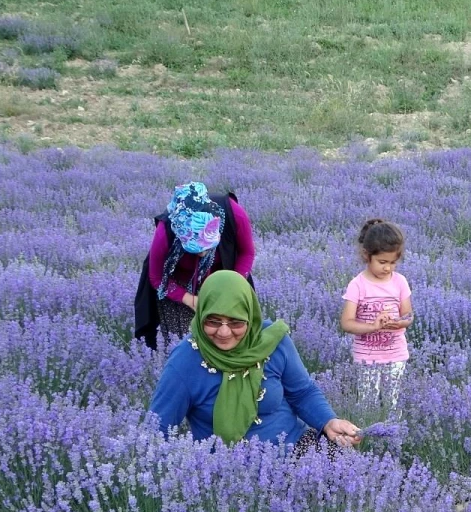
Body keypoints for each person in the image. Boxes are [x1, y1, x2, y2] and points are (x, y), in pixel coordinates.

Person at [148, 270, 361, 450]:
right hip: (228, 472)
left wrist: (328, 421)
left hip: (293, 448)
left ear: (250, 317)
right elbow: (158, 428)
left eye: (236, 322)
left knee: (347, 471)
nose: (224, 332)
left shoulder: (272, 341)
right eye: (213, 321)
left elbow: (302, 392)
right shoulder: (186, 360)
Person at [134, 181, 256, 350]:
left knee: (232, 338)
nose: (202, 254)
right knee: (188, 346)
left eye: (207, 246)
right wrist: (189, 299)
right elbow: (157, 277)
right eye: (194, 248)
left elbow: (247, 253)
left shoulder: (233, 214)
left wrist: (233, 284)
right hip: (179, 287)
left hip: (225, 278)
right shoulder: (166, 230)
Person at [339, 219, 413, 410]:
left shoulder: (400, 282)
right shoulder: (357, 285)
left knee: (392, 402)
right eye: (382, 262)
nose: (388, 268)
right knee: (368, 403)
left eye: (393, 263)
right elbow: (346, 323)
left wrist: (399, 323)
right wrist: (373, 326)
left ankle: (392, 437)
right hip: (367, 356)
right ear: (366, 256)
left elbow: (408, 315)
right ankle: (368, 438)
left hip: (396, 353)